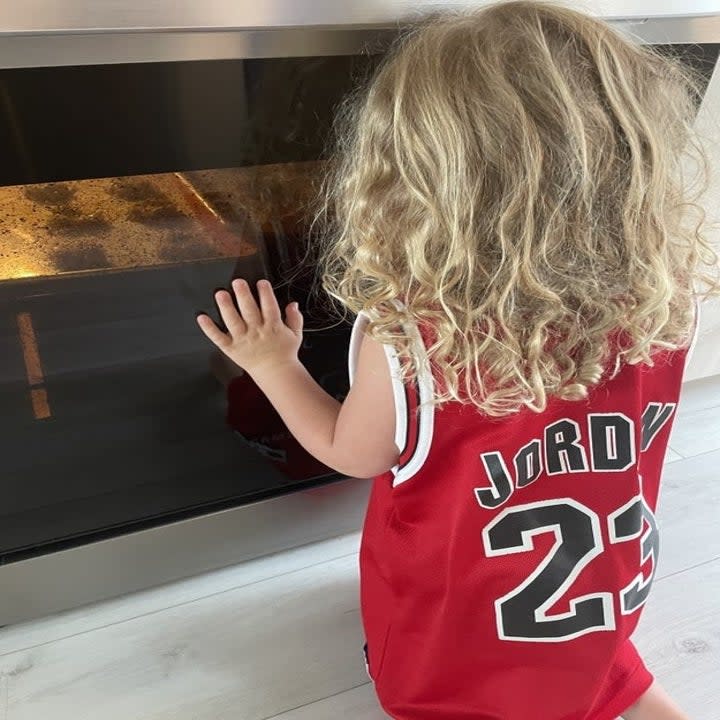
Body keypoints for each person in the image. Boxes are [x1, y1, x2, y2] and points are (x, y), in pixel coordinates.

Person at [196, 1, 720, 718]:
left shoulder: (411, 335)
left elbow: (351, 453)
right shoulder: (664, 303)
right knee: (614, 692)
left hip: (453, 658)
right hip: (586, 621)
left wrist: (272, 362)